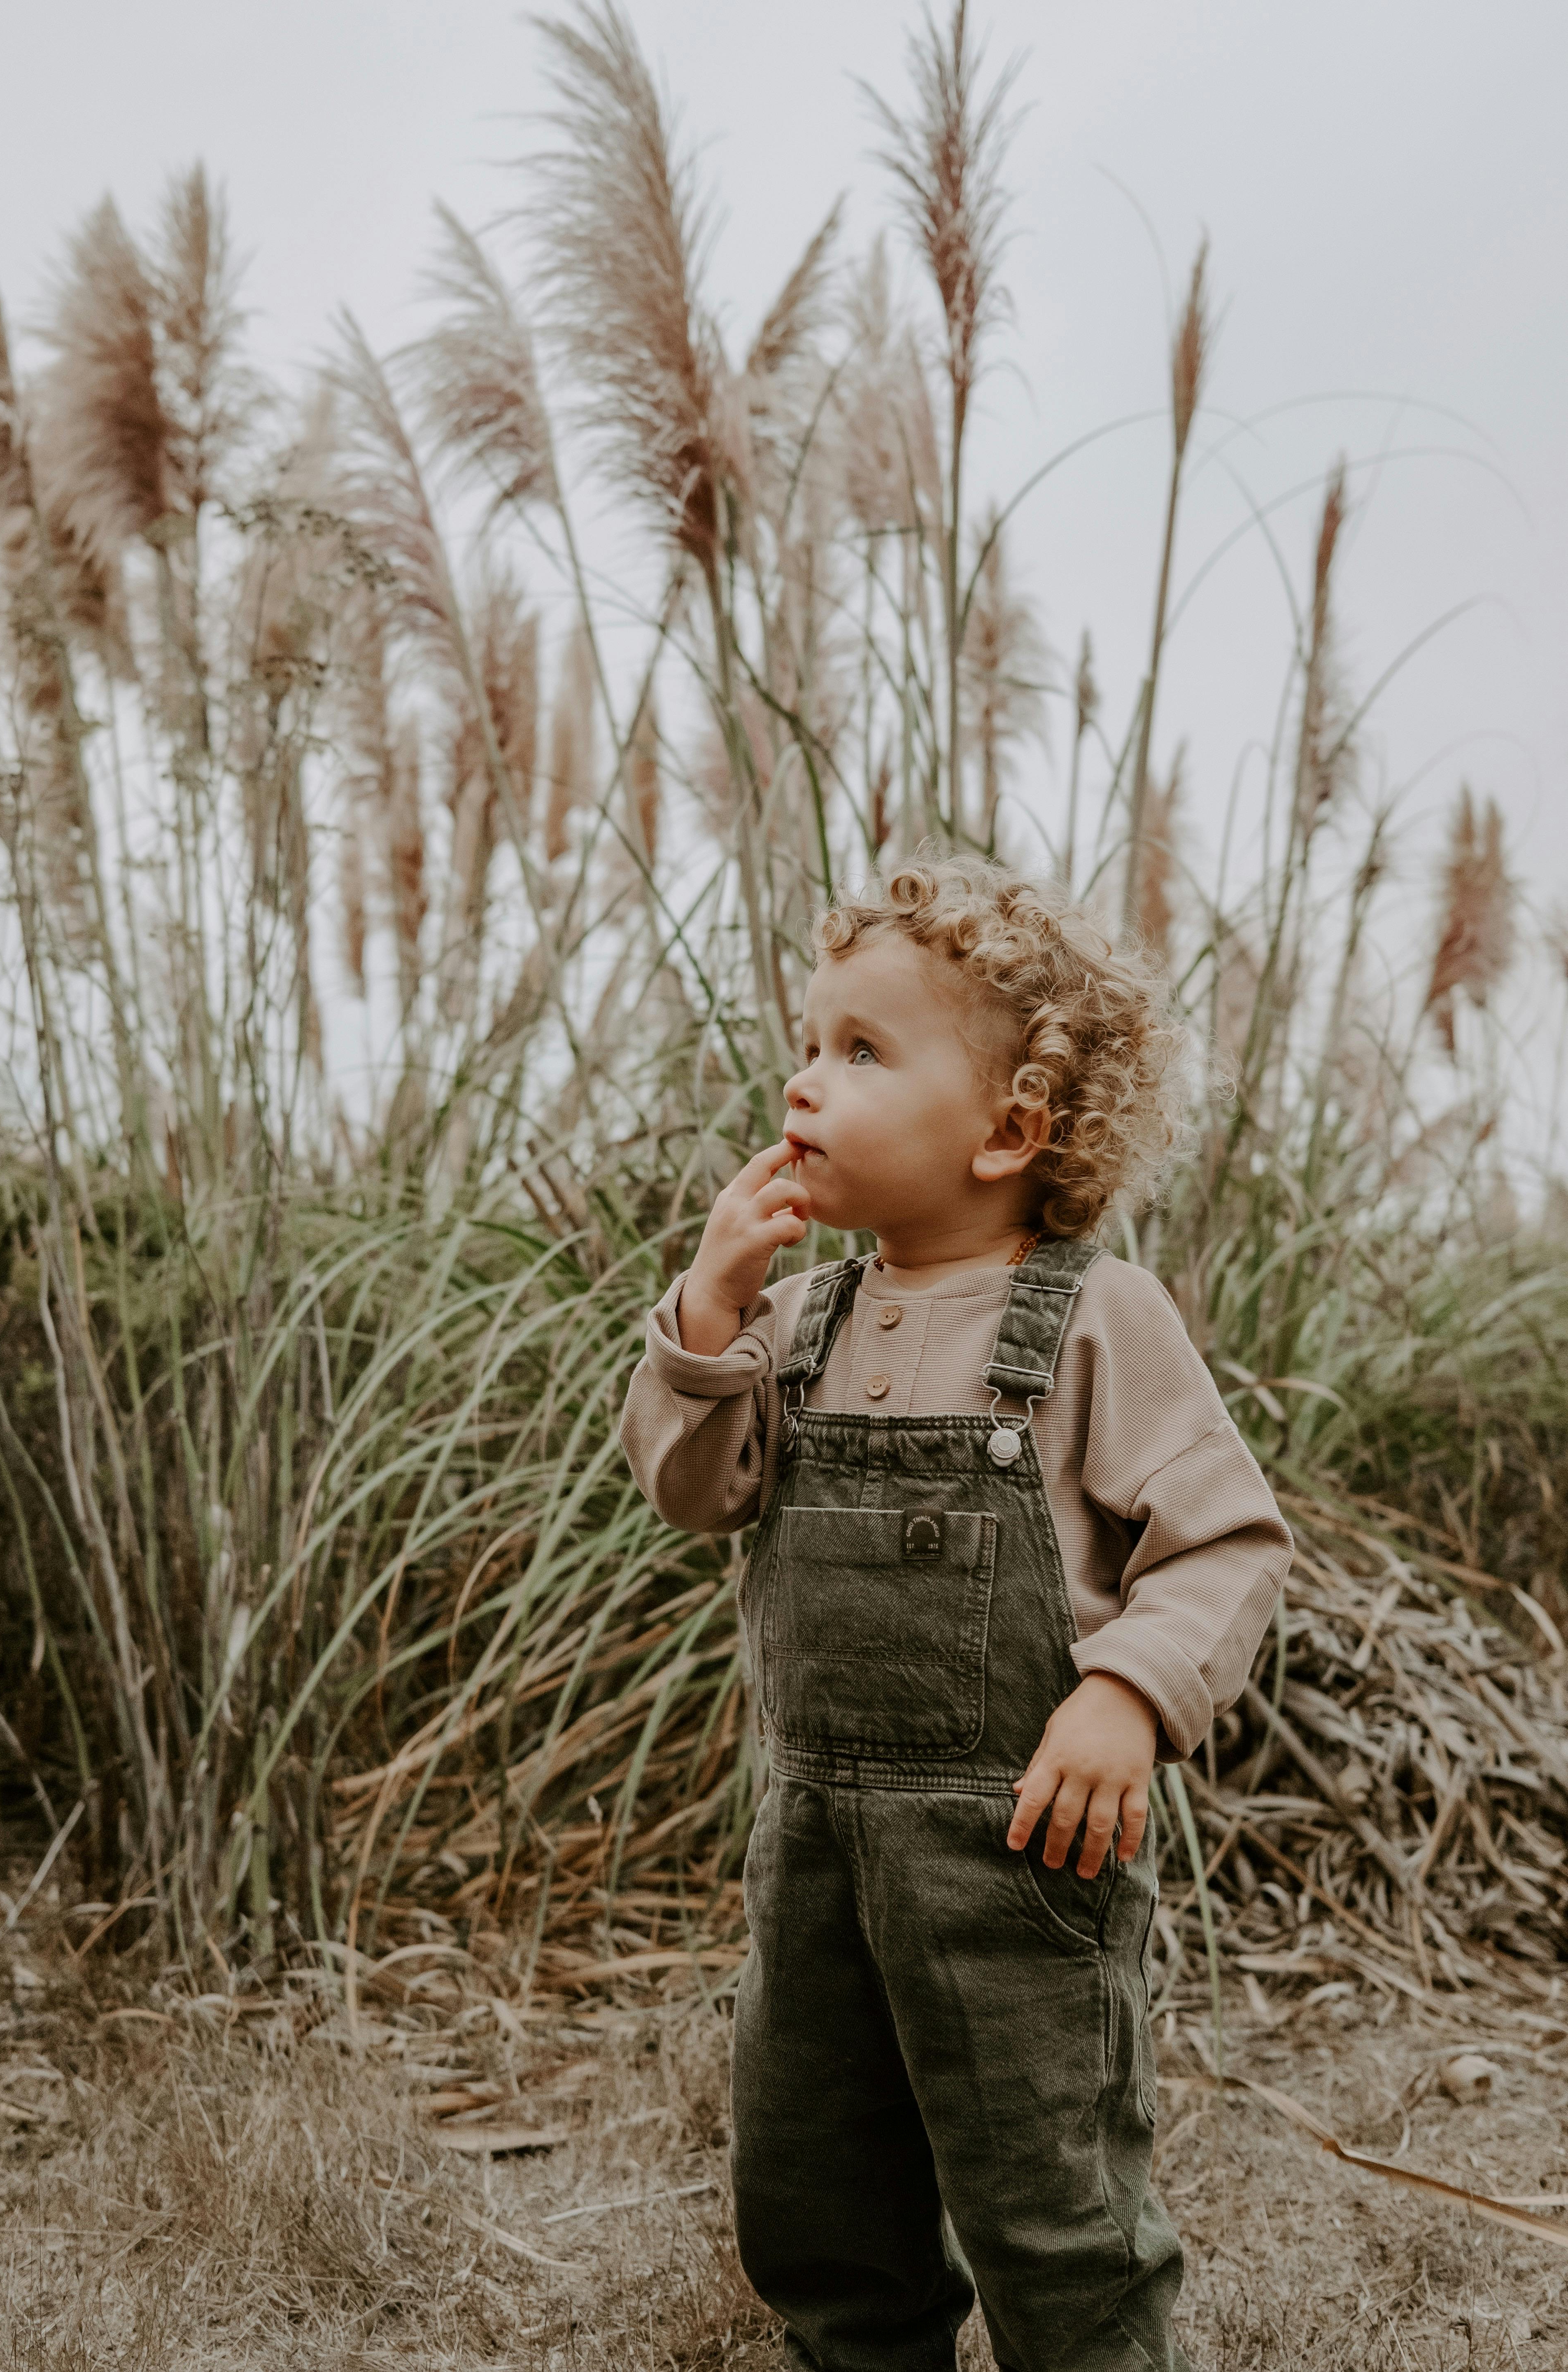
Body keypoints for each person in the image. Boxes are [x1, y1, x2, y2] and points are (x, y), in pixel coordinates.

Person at [620, 857, 1293, 2372]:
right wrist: (710, 1314)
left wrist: (1127, 1690)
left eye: (862, 1051)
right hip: (814, 1858)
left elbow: (1227, 1540)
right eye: (806, 1039)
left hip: (1019, 1860)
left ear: (1010, 1128)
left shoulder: (1097, 1316)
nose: (805, 1079)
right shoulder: (801, 1321)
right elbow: (694, 1489)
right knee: (813, 2183)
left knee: (1050, 2199)